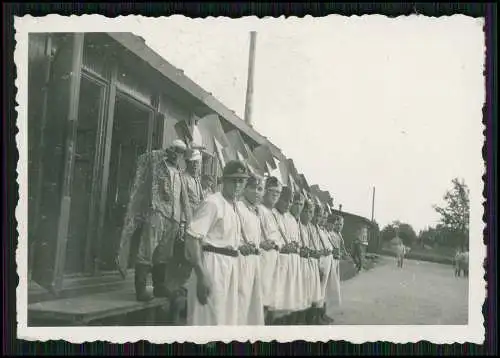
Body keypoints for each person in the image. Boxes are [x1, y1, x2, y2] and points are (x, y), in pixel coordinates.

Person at [116, 139, 189, 302]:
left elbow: (182, 198)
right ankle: (140, 289)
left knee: (164, 253)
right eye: (176, 150)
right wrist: (163, 152)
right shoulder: (157, 164)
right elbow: (142, 159)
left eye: (182, 152)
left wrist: (182, 220)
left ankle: (159, 287)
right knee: (147, 250)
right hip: (157, 212)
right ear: (170, 150)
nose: (178, 155)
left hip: (174, 217)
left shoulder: (179, 171)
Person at [184, 160, 249, 325]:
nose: (237, 185)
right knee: (207, 320)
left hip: (230, 265)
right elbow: (192, 238)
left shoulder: (235, 207)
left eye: (241, 180)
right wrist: (201, 274)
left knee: (225, 321)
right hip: (213, 264)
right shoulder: (212, 203)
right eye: (233, 180)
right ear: (224, 181)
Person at [235, 173, 266, 325]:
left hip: (253, 262)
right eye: (253, 187)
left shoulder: (256, 212)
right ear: (245, 188)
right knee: (240, 302)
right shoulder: (238, 208)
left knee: (252, 303)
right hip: (240, 261)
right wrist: (241, 245)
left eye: (260, 188)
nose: (256, 191)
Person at [269, 186, 301, 325]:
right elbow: (272, 237)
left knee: (287, 299)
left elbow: (295, 238)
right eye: (285, 200)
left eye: (290, 201)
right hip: (276, 261)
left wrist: (296, 245)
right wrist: (283, 246)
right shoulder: (272, 214)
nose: (288, 204)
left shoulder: (291, 218)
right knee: (273, 301)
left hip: (290, 262)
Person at [258, 176, 283, 325]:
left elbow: (278, 237)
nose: (275, 195)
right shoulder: (259, 210)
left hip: (274, 258)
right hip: (262, 259)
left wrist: (276, 244)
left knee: (270, 299)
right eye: (272, 191)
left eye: (278, 192)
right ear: (265, 191)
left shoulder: (274, 214)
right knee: (260, 298)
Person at [300, 198, 322, 325]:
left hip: (311, 262)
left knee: (311, 294)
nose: (309, 215)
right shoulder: (299, 224)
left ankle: (310, 320)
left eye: (311, 212)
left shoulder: (310, 227)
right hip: (302, 263)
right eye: (307, 211)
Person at [287, 191, 306, 324]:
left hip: (297, 261)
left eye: (301, 204)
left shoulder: (297, 221)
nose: (298, 207)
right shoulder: (287, 218)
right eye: (296, 203)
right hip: (286, 262)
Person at [324, 214, 344, 322]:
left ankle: (326, 311)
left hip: (335, 260)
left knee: (332, 286)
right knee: (327, 287)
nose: (335, 226)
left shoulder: (338, 234)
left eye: (339, 224)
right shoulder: (328, 233)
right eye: (335, 224)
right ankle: (322, 312)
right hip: (329, 260)